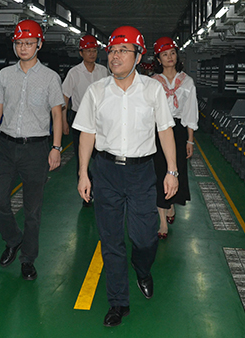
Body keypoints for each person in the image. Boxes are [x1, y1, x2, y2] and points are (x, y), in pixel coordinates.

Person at [72, 26, 179, 327]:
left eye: (123, 50)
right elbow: (87, 134)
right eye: (112, 50)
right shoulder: (96, 91)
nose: (115, 56)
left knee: (145, 237)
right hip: (106, 171)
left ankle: (142, 268)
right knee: (111, 240)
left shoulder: (152, 90)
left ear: (138, 56)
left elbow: (165, 130)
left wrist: (172, 170)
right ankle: (118, 302)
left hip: (141, 171)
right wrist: (83, 173)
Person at [0, 19, 64, 281]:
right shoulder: (4, 75)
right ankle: (13, 239)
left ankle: (28, 259)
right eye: (19, 43)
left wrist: (56, 148)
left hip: (35, 149)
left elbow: (57, 114)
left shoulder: (50, 77)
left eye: (28, 43)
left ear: (39, 45)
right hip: (5, 146)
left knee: (32, 210)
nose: (23, 47)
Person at [151, 37, 199, 239]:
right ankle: (162, 220)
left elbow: (190, 112)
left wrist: (190, 139)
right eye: (164, 54)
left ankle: (170, 203)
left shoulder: (187, 82)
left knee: (176, 170)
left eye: (172, 53)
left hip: (178, 130)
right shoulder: (153, 82)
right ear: (158, 59)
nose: (169, 57)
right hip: (158, 130)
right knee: (159, 172)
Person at [61, 34, 109, 206]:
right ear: (81, 53)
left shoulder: (103, 71)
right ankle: (86, 194)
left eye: (94, 51)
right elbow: (65, 98)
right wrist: (64, 121)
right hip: (79, 119)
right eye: (88, 51)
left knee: (102, 157)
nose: (92, 54)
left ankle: (101, 189)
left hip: (100, 119)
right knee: (83, 158)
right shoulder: (74, 73)